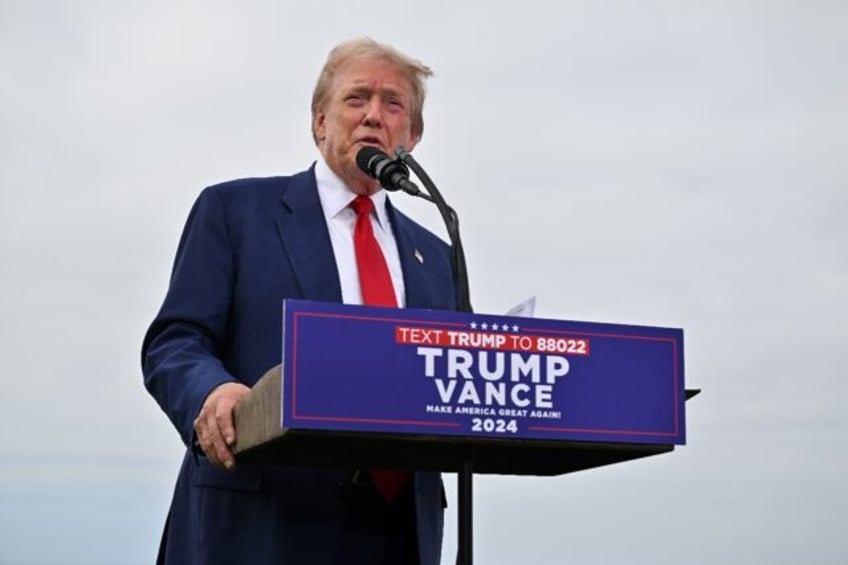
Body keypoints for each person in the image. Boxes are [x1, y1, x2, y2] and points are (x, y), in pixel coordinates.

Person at [142, 37, 457, 565]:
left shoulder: (439, 253)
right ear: (319, 122)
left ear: (413, 136)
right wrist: (212, 391)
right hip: (264, 520)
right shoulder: (234, 211)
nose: (373, 116)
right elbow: (175, 341)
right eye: (356, 99)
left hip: (399, 527)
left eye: (393, 104)